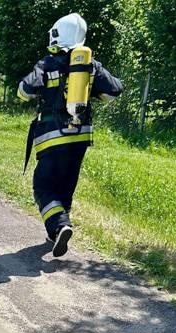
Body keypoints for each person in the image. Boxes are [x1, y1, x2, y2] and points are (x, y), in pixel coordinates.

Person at [17, 13, 122, 257]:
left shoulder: (48, 63)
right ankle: (57, 231)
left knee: (43, 186)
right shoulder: (90, 65)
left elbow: (24, 90)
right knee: (66, 186)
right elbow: (114, 91)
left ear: (57, 34)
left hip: (52, 138)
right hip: (80, 139)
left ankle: (60, 224)